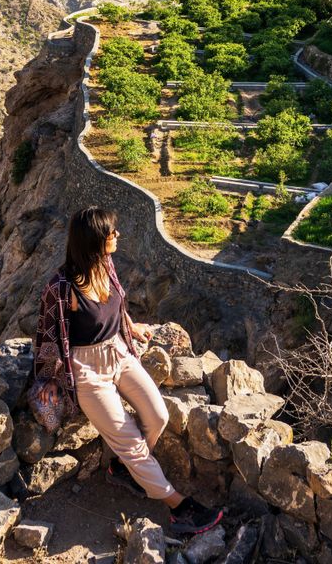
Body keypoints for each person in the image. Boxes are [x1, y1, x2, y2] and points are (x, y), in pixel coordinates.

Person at [33, 206, 222, 535]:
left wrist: (131, 327)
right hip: (86, 369)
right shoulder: (61, 288)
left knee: (158, 415)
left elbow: (117, 304)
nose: (117, 236)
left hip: (118, 352)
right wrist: (49, 376)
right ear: (94, 240)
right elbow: (47, 334)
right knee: (133, 443)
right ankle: (177, 506)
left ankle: (124, 469)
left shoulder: (105, 265)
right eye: (111, 232)